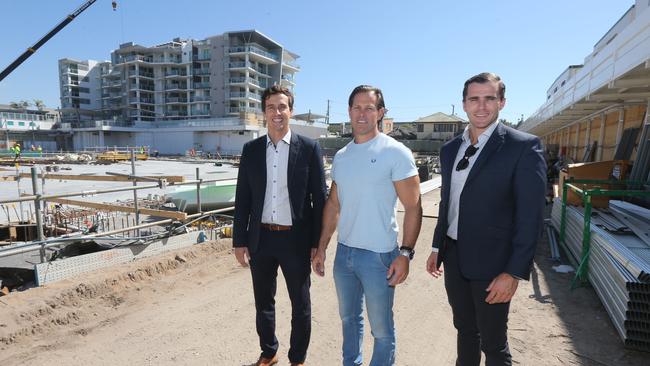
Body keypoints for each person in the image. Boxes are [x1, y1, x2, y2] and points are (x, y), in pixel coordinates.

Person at [426, 72, 546, 365]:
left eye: (489, 98)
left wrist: (514, 272)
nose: (481, 106)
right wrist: (436, 246)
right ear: (464, 104)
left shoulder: (523, 147)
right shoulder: (450, 149)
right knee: (465, 331)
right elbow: (448, 202)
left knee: (493, 344)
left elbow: (531, 217)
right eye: (474, 99)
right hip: (454, 256)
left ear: (501, 102)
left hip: (494, 263)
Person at [312, 85, 422, 366]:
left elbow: (413, 206)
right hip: (345, 254)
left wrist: (405, 254)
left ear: (381, 113)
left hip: (379, 256)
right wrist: (322, 247)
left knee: (382, 330)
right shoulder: (342, 156)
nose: (362, 113)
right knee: (349, 320)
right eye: (357, 107)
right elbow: (334, 204)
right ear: (349, 111)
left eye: (369, 108)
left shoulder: (396, 153)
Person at [233, 85, 327, 366]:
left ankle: (297, 358)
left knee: (300, 305)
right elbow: (243, 199)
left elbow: (320, 200)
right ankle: (269, 351)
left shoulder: (309, 148)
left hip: (295, 241)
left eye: (282, 106)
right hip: (260, 238)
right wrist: (239, 241)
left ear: (291, 111)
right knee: (263, 302)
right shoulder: (250, 150)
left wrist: (318, 245)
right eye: (271, 107)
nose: (277, 112)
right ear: (264, 112)